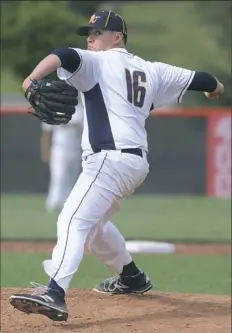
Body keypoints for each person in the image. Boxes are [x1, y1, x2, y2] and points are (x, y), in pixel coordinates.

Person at [9, 9, 224, 322]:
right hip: (134, 164)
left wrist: (30, 80)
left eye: (97, 33)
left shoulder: (96, 61)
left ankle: (54, 292)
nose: (91, 39)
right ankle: (131, 277)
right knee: (94, 229)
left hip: (108, 159)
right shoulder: (153, 70)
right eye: (89, 34)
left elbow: (62, 54)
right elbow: (200, 79)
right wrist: (215, 87)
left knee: (72, 220)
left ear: (117, 37)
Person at [41, 103, 84, 212]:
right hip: (59, 149)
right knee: (59, 176)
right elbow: (46, 132)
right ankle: (53, 203)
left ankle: (68, 204)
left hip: (75, 149)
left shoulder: (80, 110)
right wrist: (46, 151)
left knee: (72, 178)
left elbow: (84, 132)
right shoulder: (52, 108)